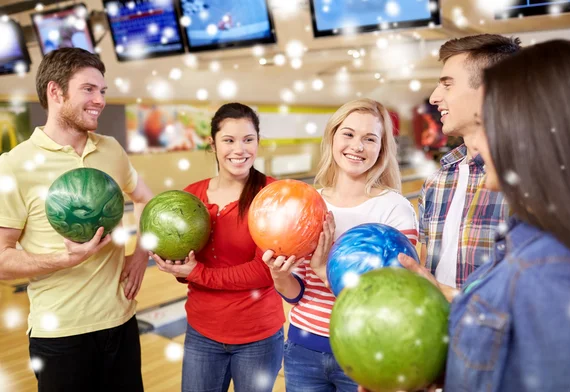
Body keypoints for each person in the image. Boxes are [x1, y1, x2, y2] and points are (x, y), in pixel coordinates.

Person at [365, 39, 570, 392]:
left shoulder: (550, 275)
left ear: (528, 133)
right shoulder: (526, 240)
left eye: (490, 122)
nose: (478, 143)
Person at [0, 48, 153, 391]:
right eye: (88, 89)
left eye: (102, 91)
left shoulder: (111, 148)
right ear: (55, 92)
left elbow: (145, 198)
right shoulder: (13, 165)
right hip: (61, 335)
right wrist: (64, 258)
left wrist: (142, 253)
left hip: (122, 322)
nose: (99, 99)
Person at [264, 98, 418, 391]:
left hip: (366, 352)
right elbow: (296, 295)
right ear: (332, 137)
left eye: (369, 138)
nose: (357, 146)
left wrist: (324, 270)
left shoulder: (394, 209)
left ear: (382, 148)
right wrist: (280, 275)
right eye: (348, 134)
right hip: (302, 349)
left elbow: (395, 300)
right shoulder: (309, 202)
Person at [150, 103, 285, 392]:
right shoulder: (192, 196)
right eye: (229, 140)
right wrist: (178, 268)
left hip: (257, 336)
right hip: (203, 332)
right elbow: (188, 268)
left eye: (248, 139)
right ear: (212, 144)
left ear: (258, 142)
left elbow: (263, 271)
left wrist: (197, 273)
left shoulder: (271, 195)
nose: (240, 149)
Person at [420, 34, 521, 293]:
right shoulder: (436, 181)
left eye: (447, 85)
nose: (433, 98)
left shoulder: (527, 182)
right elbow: (423, 268)